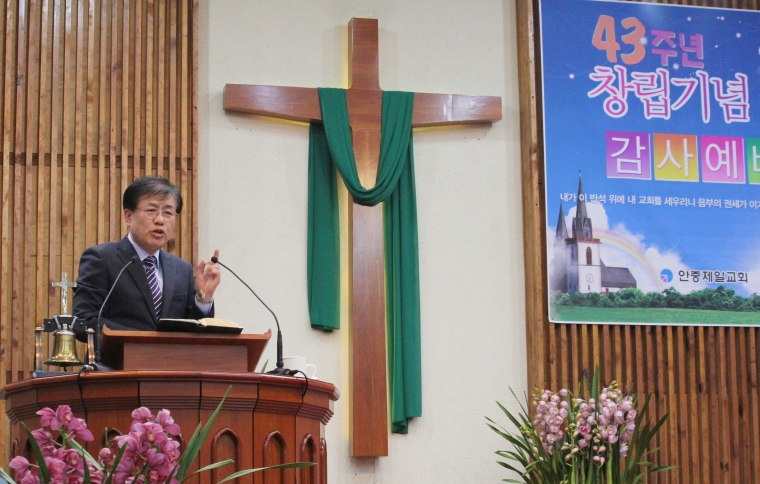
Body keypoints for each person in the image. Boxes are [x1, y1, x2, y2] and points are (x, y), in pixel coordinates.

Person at [73, 176, 221, 337]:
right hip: (118, 354)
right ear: (128, 216)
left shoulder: (181, 269)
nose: (160, 220)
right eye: (151, 210)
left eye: (168, 213)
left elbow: (193, 332)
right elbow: (85, 321)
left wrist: (203, 299)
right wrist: (144, 341)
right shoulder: (102, 259)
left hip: (169, 355)